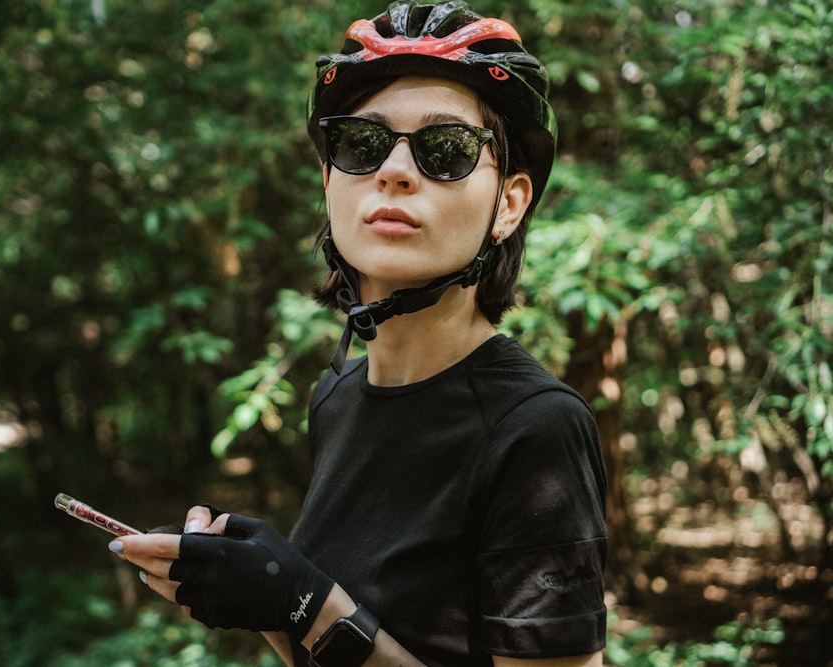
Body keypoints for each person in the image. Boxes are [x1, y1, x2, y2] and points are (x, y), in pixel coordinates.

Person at [108, 2, 608, 666]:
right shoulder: (336, 395)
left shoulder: (536, 429)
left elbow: (323, 621)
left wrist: (308, 603)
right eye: (361, 142)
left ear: (509, 203)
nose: (394, 170)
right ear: (329, 180)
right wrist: (256, 590)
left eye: (446, 149)